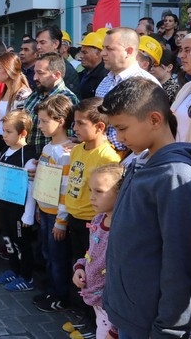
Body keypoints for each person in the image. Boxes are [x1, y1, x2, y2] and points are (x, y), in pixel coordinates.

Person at [100, 77, 191, 339]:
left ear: (155, 120)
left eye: (123, 129)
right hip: (129, 313)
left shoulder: (174, 176)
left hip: (151, 324)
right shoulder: (142, 161)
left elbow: (179, 262)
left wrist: (169, 328)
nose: (120, 139)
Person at [63, 98, 120, 311]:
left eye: (80, 123)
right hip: (74, 217)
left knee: (94, 272)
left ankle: (94, 319)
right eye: (74, 123)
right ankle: (81, 312)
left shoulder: (108, 158)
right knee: (79, 266)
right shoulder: (77, 150)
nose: (74, 128)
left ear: (99, 126)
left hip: (93, 222)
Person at [31, 95, 75, 312]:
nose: (40, 126)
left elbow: (66, 190)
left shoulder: (66, 153)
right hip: (45, 211)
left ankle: (60, 295)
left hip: (57, 216)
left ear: (61, 120)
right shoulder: (49, 148)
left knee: (58, 258)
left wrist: (61, 220)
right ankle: (51, 288)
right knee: (48, 254)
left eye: (44, 121)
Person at [72, 163, 125, 339]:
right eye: (90, 190)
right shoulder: (97, 219)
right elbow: (92, 252)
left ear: (121, 192)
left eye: (99, 191)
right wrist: (80, 267)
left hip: (113, 308)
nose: (92, 197)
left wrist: (115, 328)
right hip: (97, 301)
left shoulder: (123, 230)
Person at [0, 109, 37, 292]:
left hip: (20, 210)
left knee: (22, 243)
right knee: (8, 239)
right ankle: (14, 270)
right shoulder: (4, 151)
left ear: (22, 133)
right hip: (4, 206)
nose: (4, 135)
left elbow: (31, 188)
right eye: (3, 131)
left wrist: (28, 214)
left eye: (9, 132)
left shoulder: (29, 156)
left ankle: (27, 277)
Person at [95, 27, 159, 155]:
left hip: (132, 158)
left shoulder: (146, 83)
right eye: (103, 48)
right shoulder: (106, 81)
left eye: (109, 48)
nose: (102, 53)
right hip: (102, 155)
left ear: (128, 51)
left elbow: (149, 130)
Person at [24, 52, 79, 154]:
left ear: (57, 75)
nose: (35, 77)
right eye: (35, 72)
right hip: (27, 158)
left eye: (40, 73)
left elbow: (70, 137)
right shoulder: (34, 95)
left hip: (51, 161)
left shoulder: (68, 99)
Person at [0, 52, 32, 156]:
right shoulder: (5, 90)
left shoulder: (23, 95)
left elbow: (23, 124)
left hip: (13, 144)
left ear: (8, 69)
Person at [35, 26, 81, 96]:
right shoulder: (38, 65)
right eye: (37, 43)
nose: (38, 47)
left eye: (42, 43)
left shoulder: (67, 70)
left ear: (55, 44)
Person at [78, 32, 108, 100]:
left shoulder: (105, 77)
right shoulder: (82, 74)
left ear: (98, 54)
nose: (81, 56)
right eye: (81, 52)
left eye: (85, 53)